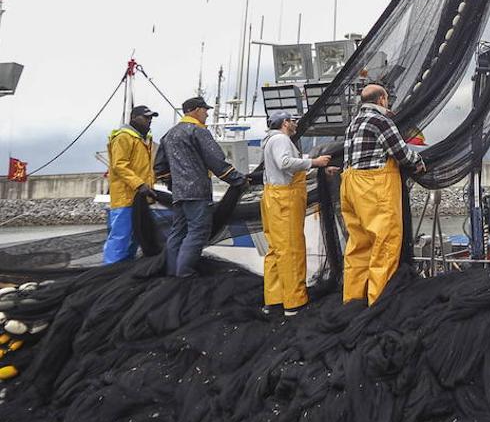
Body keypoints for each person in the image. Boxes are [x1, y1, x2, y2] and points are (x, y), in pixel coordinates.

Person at [341, 84, 426, 305]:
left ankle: (353, 301)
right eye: (387, 99)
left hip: (350, 184)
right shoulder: (380, 120)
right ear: (381, 100)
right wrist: (418, 162)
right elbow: (401, 153)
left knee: (359, 245)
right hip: (373, 186)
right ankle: (380, 304)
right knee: (385, 244)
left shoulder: (354, 123)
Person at [153, 97, 247, 277]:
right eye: (205, 110)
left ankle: (172, 272)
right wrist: (238, 180)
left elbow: (159, 167)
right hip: (198, 192)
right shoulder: (198, 131)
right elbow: (216, 161)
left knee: (178, 232)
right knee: (198, 231)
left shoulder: (169, 135)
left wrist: (174, 184)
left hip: (179, 195)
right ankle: (185, 272)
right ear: (195, 110)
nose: (207, 113)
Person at [260, 112, 331, 317]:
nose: (295, 124)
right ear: (285, 123)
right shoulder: (281, 139)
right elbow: (285, 163)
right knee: (291, 249)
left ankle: (273, 300)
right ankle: (294, 303)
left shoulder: (269, 140)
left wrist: (319, 167)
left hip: (273, 197)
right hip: (285, 199)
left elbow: (289, 167)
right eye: (293, 121)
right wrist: (315, 162)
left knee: (276, 250)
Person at [103, 105, 159, 264]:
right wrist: (139, 184)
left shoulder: (143, 139)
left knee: (136, 236)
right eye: (146, 117)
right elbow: (119, 165)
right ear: (134, 118)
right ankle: (110, 272)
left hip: (140, 198)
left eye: (151, 118)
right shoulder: (123, 137)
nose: (149, 121)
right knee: (121, 237)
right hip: (126, 198)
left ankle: (125, 270)